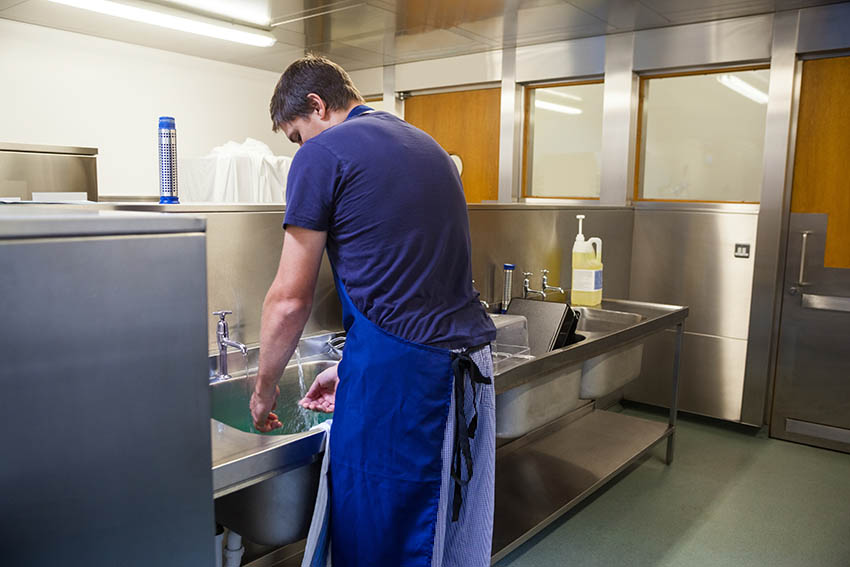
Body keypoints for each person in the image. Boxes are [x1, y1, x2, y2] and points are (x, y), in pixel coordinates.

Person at [249, 54, 497, 567]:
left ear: (316, 106)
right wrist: (352, 365)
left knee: (381, 545)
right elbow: (414, 285)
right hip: (463, 372)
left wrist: (264, 389)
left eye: (296, 135)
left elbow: (290, 298)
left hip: (402, 387)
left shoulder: (323, 156)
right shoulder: (424, 145)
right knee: (437, 539)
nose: (300, 149)